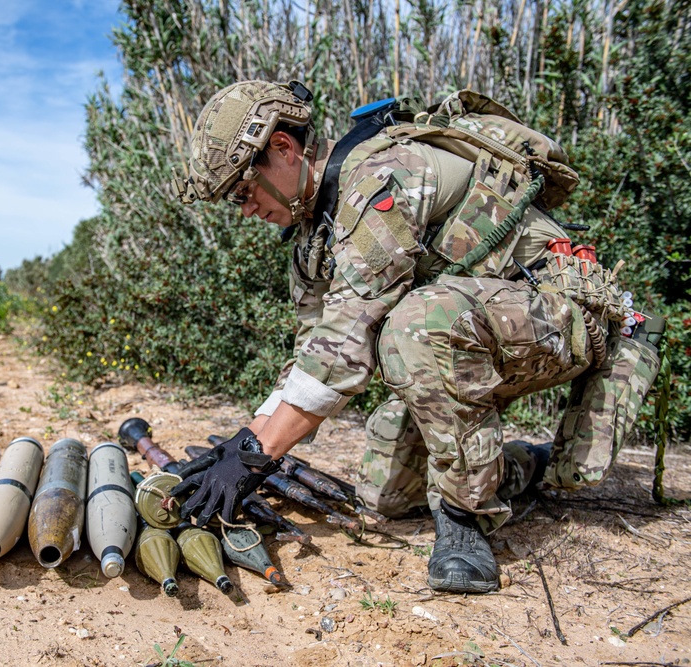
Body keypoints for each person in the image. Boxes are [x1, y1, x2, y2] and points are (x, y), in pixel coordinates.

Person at [169, 80, 663, 593]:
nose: (246, 209)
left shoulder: (380, 178)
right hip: (484, 336)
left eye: (244, 191)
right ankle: (524, 466)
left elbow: (343, 351)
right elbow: (313, 353)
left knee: (415, 324)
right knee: (385, 496)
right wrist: (243, 444)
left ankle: (464, 520)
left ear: (283, 148)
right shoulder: (314, 235)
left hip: (565, 319)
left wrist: (256, 457)